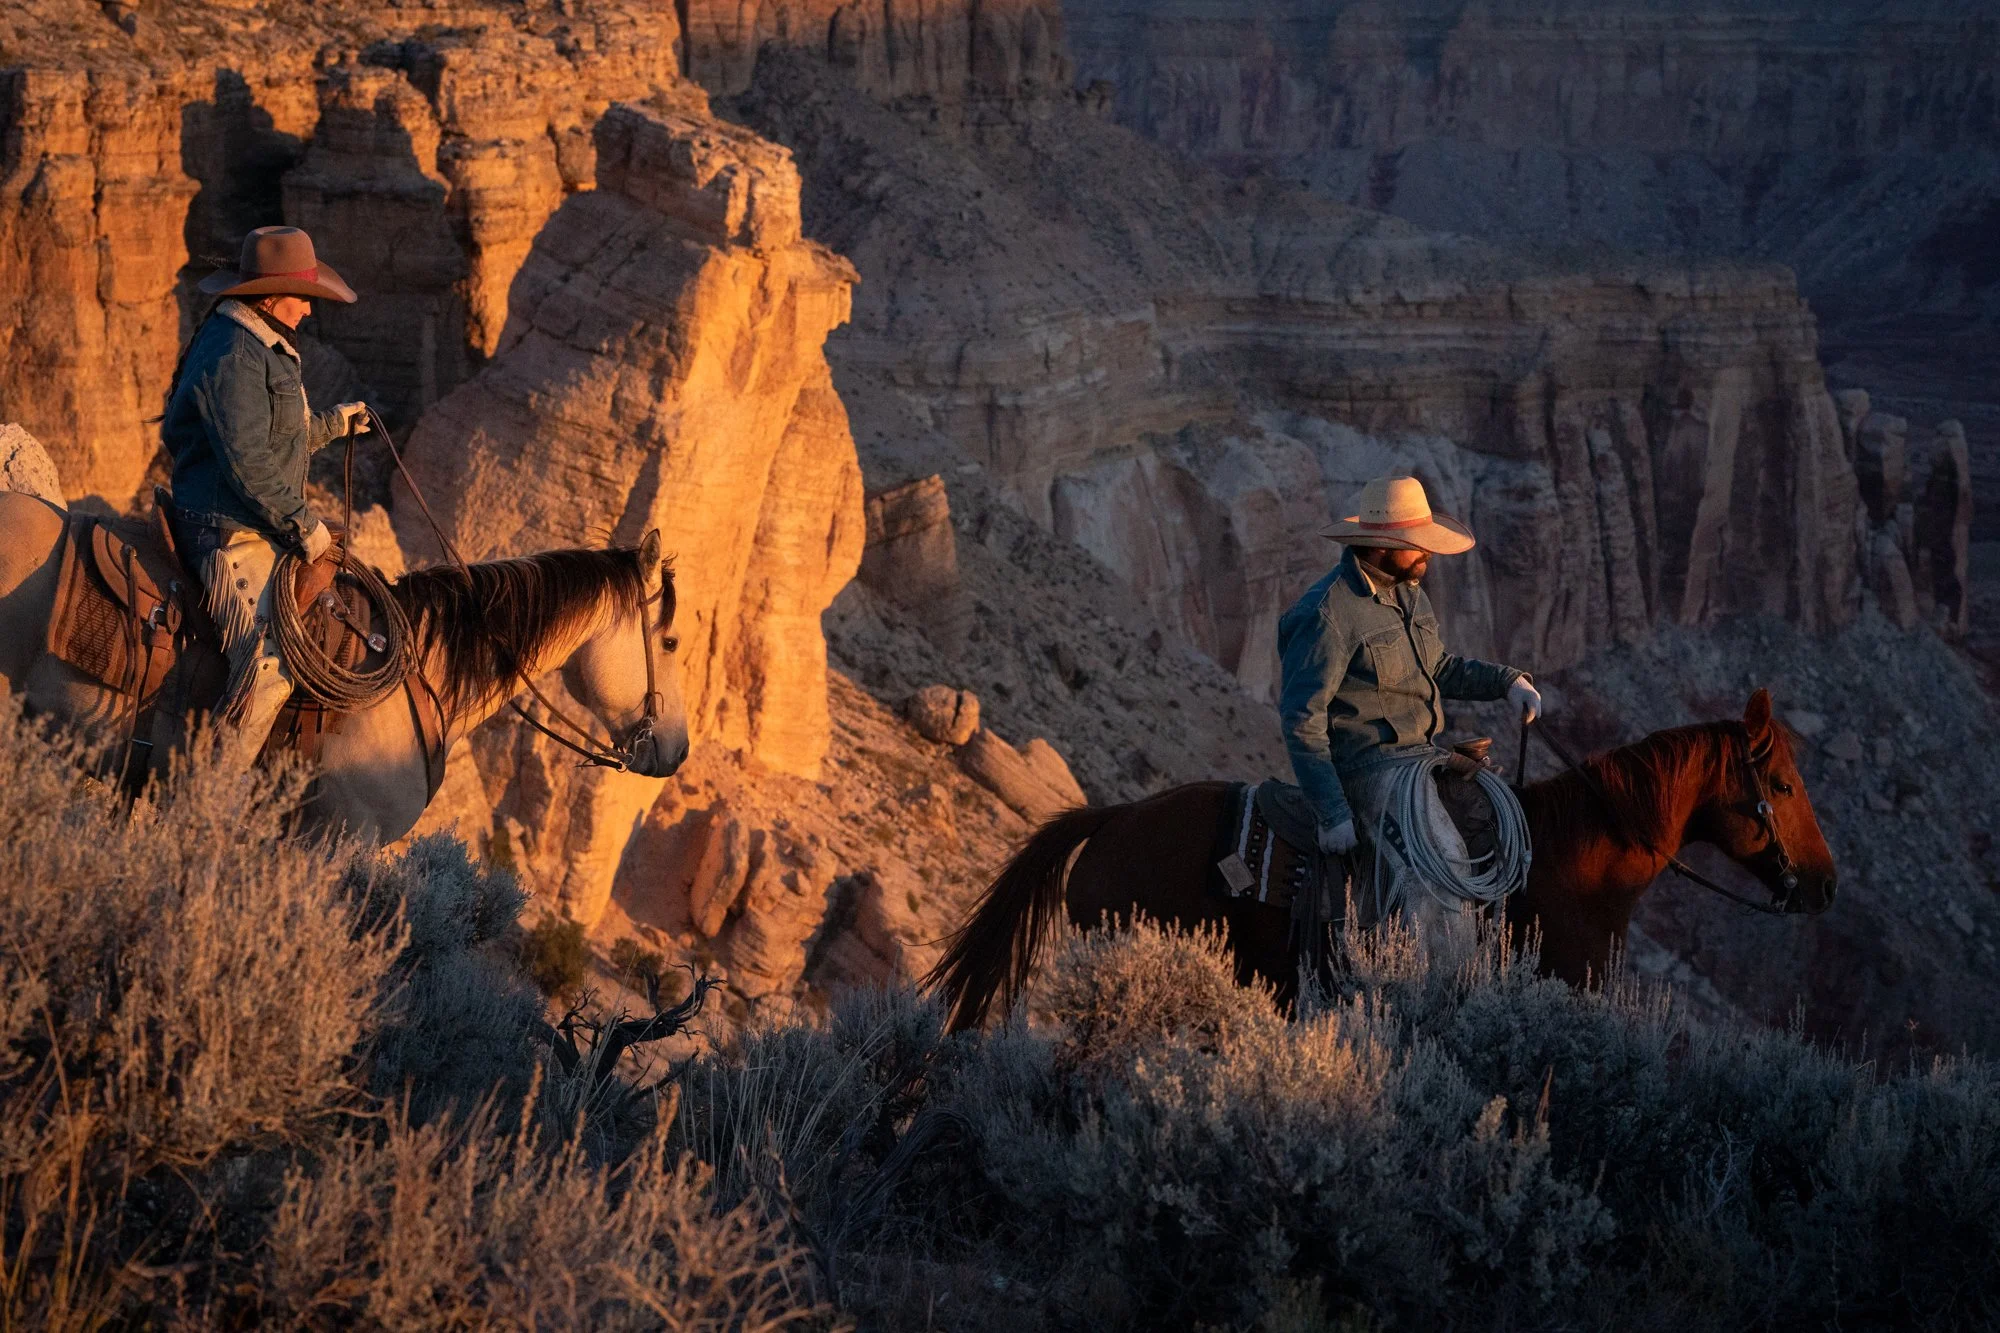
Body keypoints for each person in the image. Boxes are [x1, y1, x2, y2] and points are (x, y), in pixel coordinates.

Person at [1276, 474, 1543, 935]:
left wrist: (1508, 682)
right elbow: (1302, 719)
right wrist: (1333, 812)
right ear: (1381, 544)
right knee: (1437, 878)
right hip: (1369, 768)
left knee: (1500, 825)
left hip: (1420, 757)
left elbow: (1439, 667)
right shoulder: (1328, 614)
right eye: (1416, 543)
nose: (1428, 553)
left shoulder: (1409, 593)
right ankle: (1434, 985)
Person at [160, 225, 372, 759]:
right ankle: (209, 805)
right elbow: (247, 462)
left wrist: (333, 424)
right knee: (269, 667)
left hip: (251, 516)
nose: (307, 309)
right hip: (223, 527)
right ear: (271, 295)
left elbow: (277, 433)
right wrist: (305, 528)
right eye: (303, 297)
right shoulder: (235, 355)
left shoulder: (261, 341)